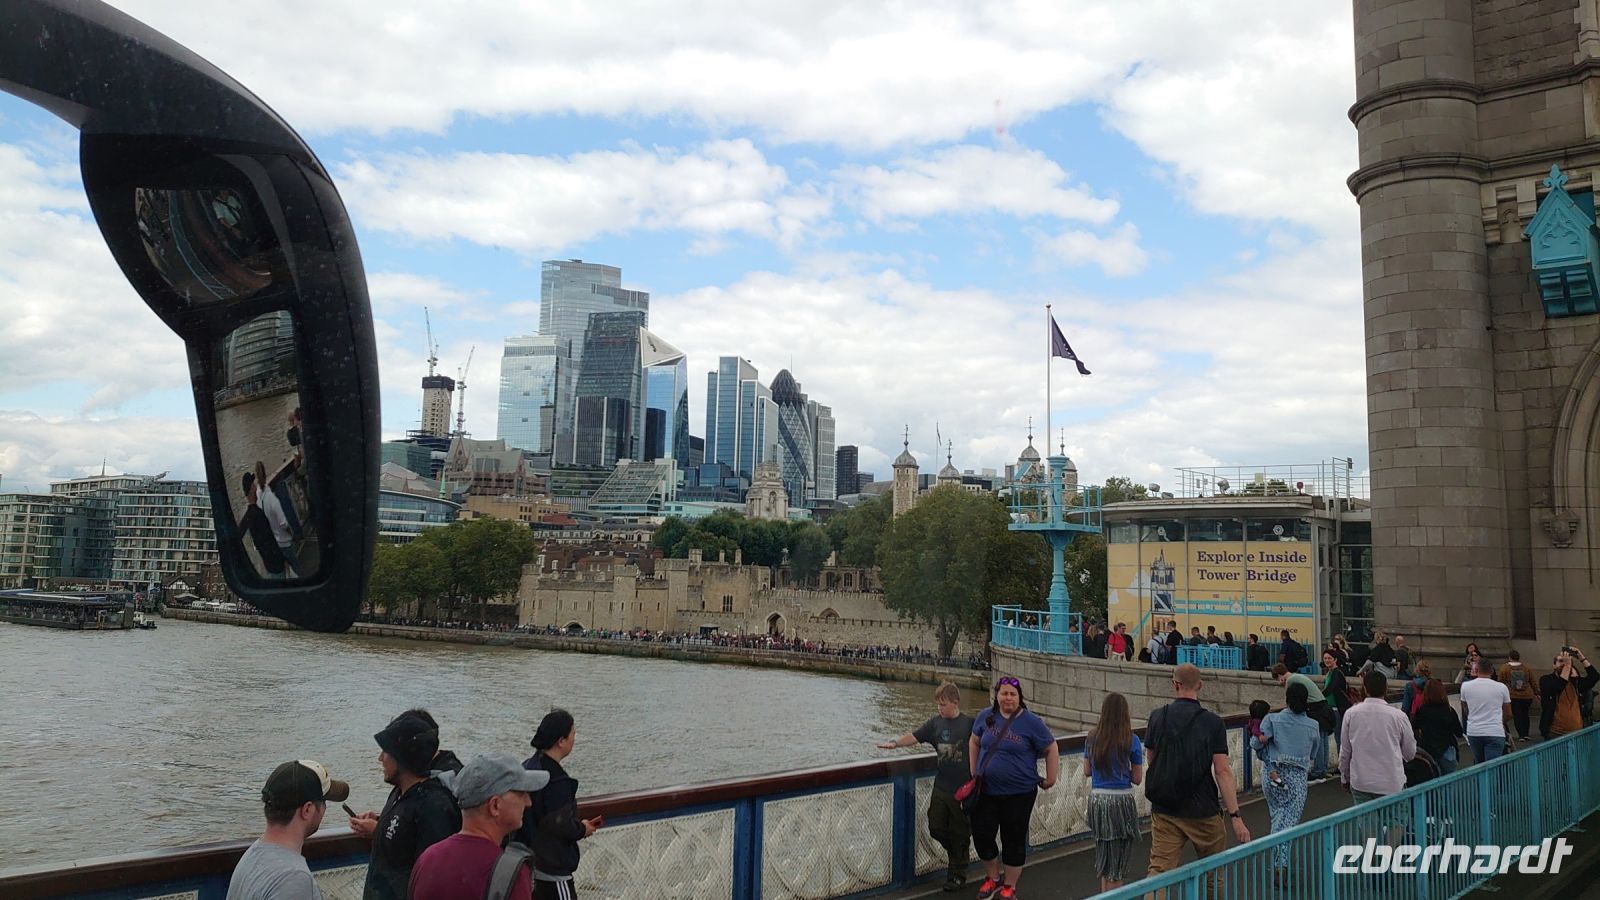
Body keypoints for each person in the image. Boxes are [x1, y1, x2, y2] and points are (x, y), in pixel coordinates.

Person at [1143, 664, 1251, 892]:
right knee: (1213, 875)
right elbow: (1222, 771)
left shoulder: (1157, 716)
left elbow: (1151, 760)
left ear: (1175, 685)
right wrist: (1235, 816)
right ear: (1200, 686)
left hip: (1165, 809)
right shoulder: (1213, 722)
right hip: (1203, 809)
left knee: (1159, 873)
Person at [350, 712, 462, 900]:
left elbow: (432, 880)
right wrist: (381, 822)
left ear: (401, 757)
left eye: (385, 751)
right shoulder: (400, 792)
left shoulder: (434, 807)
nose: (380, 758)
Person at [966, 677, 1060, 900]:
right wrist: (974, 771)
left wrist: (1051, 778)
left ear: (1019, 698)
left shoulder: (1031, 722)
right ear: (996, 695)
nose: (1008, 698)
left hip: (1019, 794)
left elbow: (1051, 747)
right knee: (982, 835)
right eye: (1004, 693)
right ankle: (992, 877)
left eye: (1012, 694)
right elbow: (974, 742)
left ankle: (1009, 885)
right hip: (986, 791)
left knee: (1013, 839)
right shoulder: (985, 717)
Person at [409, 754, 551, 900]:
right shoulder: (511, 875)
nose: (528, 802)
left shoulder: (427, 860)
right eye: (521, 793)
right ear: (495, 805)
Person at [876, 683, 973, 892]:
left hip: (963, 789)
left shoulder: (969, 724)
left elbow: (985, 744)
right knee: (935, 827)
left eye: (943, 704)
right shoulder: (935, 724)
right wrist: (895, 743)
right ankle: (956, 853)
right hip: (942, 785)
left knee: (960, 832)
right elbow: (915, 736)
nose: (939, 708)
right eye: (938, 704)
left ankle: (957, 875)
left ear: (955, 702)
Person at [227, 760, 350, 900]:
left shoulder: (252, 856)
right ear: (307, 810)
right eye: (324, 802)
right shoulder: (294, 878)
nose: (324, 809)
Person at [516, 709, 601, 899]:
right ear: (561, 741)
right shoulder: (557, 781)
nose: (574, 740)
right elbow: (560, 825)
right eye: (573, 734)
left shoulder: (529, 767)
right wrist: (583, 828)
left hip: (530, 865)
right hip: (553, 871)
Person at [1252, 682, 1320, 880]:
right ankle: (1280, 863)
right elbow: (1313, 753)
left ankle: (1278, 860)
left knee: (1277, 816)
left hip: (1272, 773)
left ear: (1287, 699)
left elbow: (1256, 743)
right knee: (1289, 821)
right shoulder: (1313, 725)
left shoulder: (1272, 719)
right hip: (1297, 777)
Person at [1082, 692, 1143, 894]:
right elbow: (1137, 778)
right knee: (1118, 863)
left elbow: (1087, 771)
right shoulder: (1132, 739)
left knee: (1105, 858)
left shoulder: (1092, 737)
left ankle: (1104, 896)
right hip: (1121, 802)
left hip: (1098, 800)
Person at [1339, 670, 1417, 805]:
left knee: (1366, 818)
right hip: (1391, 781)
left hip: (1361, 781)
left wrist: (1345, 777)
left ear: (1365, 688)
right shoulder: (1398, 716)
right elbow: (1410, 753)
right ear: (1386, 689)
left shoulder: (1351, 714)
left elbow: (1345, 752)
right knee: (1396, 817)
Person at [1273, 663, 1330, 778]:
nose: (1279, 682)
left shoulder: (1290, 680)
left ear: (1280, 675)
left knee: (1319, 742)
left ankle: (1318, 771)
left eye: (1278, 679)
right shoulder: (1297, 676)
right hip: (1323, 707)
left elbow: (1290, 700)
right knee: (1323, 739)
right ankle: (1323, 768)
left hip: (1315, 708)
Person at [237, 471, 288, 579]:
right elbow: (268, 540)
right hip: (275, 563)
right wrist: (279, 558)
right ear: (252, 488)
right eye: (253, 484)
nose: (255, 486)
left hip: (269, 563)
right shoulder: (257, 514)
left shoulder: (250, 515)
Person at [1459, 657, 1511, 763]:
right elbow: (1508, 713)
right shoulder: (1502, 687)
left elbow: (1465, 708)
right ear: (1492, 671)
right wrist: (1499, 721)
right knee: (1492, 765)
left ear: (1477, 670)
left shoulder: (1465, 686)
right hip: (1495, 730)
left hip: (1474, 730)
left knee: (1479, 763)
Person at [1540, 646, 1599, 739]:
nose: (1564, 663)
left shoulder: (1575, 682)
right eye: (1561, 661)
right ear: (1554, 666)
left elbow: (1594, 677)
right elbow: (1558, 686)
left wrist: (1581, 657)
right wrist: (1567, 666)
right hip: (1555, 733)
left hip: (1577, 732)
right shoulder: (1546, 680)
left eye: (1567, 661)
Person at [1412, 679, 1464, 774]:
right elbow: (1459, 732)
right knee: (1450, 778)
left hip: (1427, 750)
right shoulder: (1449, 710)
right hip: (1446, 749)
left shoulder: (1421, 710)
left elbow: (1414, 727)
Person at [1497, 650, 1538, 741]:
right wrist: (1536, 692)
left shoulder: (1505, 668)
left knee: (1517, 715)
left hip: (1513, 695)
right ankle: (1526, 733)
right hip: (1527, 695)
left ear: (1509, 657)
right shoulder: (1526, 668)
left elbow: (1500, 681)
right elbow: (1533, 681)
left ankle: (1521, 735)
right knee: (1525, 714)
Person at [1322, 651, 1353, 752]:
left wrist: (1319, 697)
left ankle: (1342, 759)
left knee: (1339, 737)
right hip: (1331, 707)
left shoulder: (1337, 673)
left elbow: (1330, 688)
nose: (1327, 660)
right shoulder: (1330, 673)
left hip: (1338, 708)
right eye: (1325, 658)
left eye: (1329, 658)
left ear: (1335, 660)